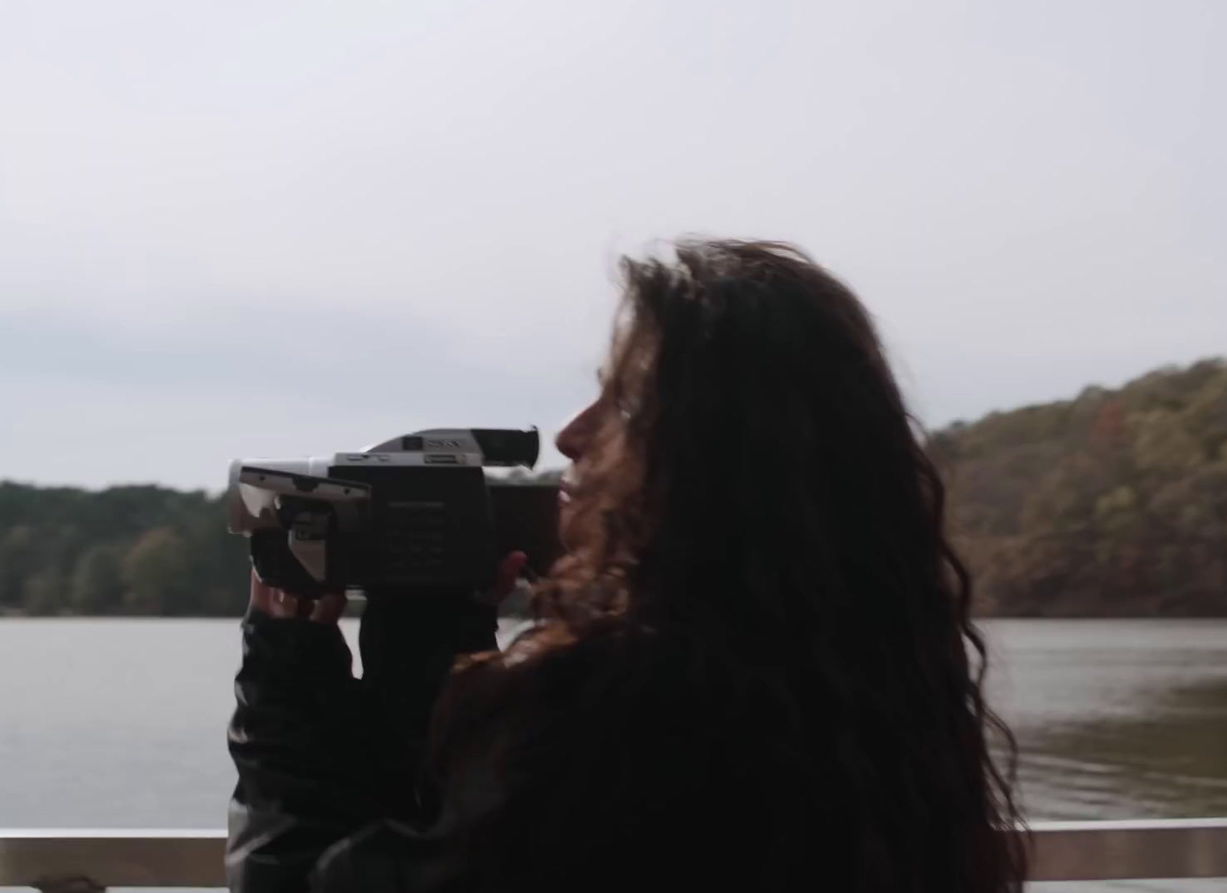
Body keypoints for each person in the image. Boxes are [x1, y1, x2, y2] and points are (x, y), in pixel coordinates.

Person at [227, 239, 1027, 893]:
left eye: (624, 404)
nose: (573, 436)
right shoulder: (881, 702)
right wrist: (436, 679)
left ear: (715, 465)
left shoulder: (605, 719)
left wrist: (286, 698)